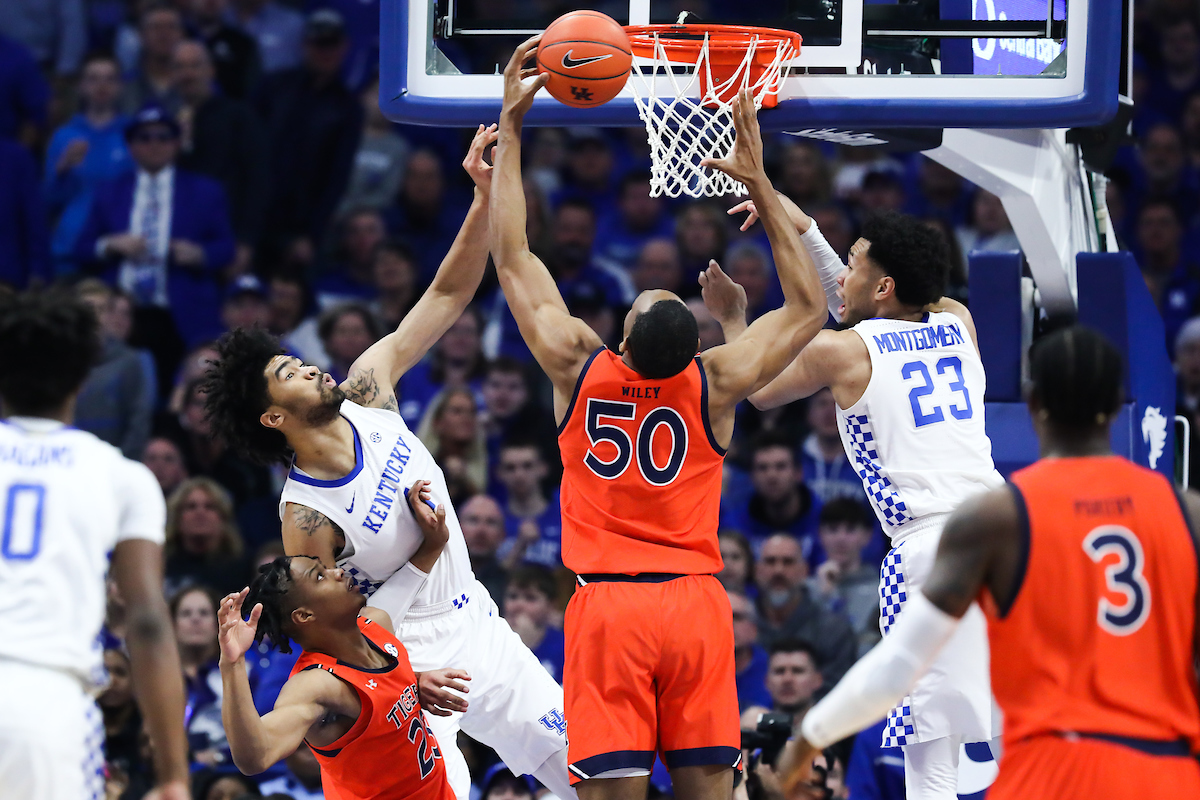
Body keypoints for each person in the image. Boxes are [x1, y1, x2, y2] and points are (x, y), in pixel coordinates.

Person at [490, 35, 827, 799]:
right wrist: (761, 182)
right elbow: (810, 308)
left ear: (620, 340)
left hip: (610, 604)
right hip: (696, 602)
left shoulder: (578, 365)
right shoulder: (715, 381)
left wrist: (512, 124)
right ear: (691, 348)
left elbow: (512, 256)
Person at [202, 126, 577, 800]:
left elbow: (445, 296)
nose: (308, 367)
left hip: (478, 619)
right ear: (273, 417)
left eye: (297, 359)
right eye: (288, 373)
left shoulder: (367, 390)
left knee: (587, 765)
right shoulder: (306, 516)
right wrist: (397, 680)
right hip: (408, 656)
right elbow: (324, 627)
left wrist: (481, 198)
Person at [789, 325, 1200, 799]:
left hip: (1056, 767)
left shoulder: (1001, 517)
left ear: (1033, 403)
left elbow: (900, 663)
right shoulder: (1186, 512)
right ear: (1116, 402)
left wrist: (808, 738)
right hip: (1166, 771)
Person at [715, 191, 1005, 798]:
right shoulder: (957, 319)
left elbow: (758, 388)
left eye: (852, 264)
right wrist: (805, 228)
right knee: (1014, 725)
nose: (841, 275)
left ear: (884, 286)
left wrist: (733, 318)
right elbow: (866, 305)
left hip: (932, 546)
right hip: (1010, 535)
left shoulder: (842, 352)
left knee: (932, 752)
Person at [0, 289, 188, 800]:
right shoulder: (120, 475)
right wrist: (173, 775)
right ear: (83, 377)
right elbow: (146, 621)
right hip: (46, 704)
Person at [217, 479, 458, 800]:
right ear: (304, 615)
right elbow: (255, 757)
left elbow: (411, 577)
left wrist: (433, 540)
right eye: (320, 577)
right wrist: (232, 664)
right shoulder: (317, 684)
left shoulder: (375, 625)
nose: (338, 572)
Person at [172, 39, 270, 278]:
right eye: (180, 67)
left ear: (211, 71)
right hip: (180, 242)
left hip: (227, 238)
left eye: (195, 66)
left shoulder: (239, 116)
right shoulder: (165, 123)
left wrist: (246, 241)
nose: (188, 74)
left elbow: (258, 179)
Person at [44, 54, 132, 274]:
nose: (102, 86)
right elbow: (47, 203)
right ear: (80, 86)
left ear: (121, 86)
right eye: (93, 79)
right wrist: (62, 170)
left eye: (110, 79)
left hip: (120, 247)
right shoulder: (63, 136)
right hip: (69, 248)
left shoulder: (134, 135)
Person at [810, 499, 882, 656]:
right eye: (833, 529)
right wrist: (825, 595)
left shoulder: (881, 591)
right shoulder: (806, 590)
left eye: (850, 529)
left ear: (867, 536)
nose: (841, 538)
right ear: (820, 534)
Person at [494, 441, 561, 570]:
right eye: (510, 468)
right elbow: (489, 577)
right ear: (499, 473)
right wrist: (520, 545)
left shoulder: (564, 517)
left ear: (543, 468)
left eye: (527, 466)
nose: (519, 475)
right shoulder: (491, 519)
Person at [502, 565, 565, 683]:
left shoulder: (564, 647)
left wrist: (526, 647)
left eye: (530, 598)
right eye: (513, 596)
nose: (519, 605)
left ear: (551, 605)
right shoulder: (489, 639)